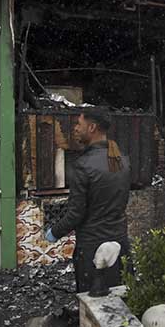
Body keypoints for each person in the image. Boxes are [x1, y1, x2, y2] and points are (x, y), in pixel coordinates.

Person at [45, 107, 131, 293]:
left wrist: (54, 232)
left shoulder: (83, 166)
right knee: (121, 301)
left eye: (79, 124)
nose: (75, 128)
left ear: (91, 128)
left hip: (93, 251)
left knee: (93, 306)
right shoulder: (122, 160)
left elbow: (76, 214)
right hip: (120, 245)